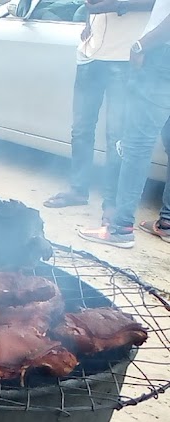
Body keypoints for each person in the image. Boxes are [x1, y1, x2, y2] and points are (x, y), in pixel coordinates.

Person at [44, 0, 153, 214]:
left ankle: (111, 203)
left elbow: (156, 4)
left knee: (116, 137)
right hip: (89, 54)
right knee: (81, 129)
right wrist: (88, 22)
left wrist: (118, 4)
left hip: (124, 58)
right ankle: (78, 190)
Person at [79, 0, 170, 247]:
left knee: (137, 146)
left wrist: (141, 45)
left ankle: (120, 228)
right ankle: (167, 223)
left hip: (163, 55)